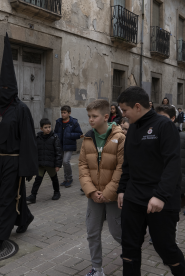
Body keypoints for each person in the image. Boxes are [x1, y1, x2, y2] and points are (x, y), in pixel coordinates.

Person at [117, 86, 185, 276]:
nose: (123, 115)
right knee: (129, 245)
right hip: (134, 196)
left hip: (161, 199)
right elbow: (128, 163)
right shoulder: (132, 128)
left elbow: (173, 164)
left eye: (125, 110)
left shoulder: (163, 125)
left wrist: (160, 196)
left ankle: (184, 273)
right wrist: (122, 189)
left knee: (164, 246)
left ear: (137, 107)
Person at [0, 33, 38, 256]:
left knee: (3, 200)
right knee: (12, 196)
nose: (3, 92)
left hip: (14, 163)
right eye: (1, 88)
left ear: (12, 88)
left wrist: (28, 168)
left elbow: (28, 140)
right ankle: (25, 217)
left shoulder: (21, 109)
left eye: (7, 88)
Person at [79, 99, 125, 276]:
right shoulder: (88, 137)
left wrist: (107, 192)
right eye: (89, 116)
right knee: (92, 232)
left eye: (94, 116)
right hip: (94, 196)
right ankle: (97, 268)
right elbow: (82, 166)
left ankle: (131, 256)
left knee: (117, 232)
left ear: (106, 117)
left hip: (112, 196)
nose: (90, 119)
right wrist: (91, 190)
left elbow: (121, 168)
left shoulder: (119, 138)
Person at [156, 105, 185, 210]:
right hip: (156, 186)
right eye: (157, 117)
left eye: (163, 117)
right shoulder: (152, 136)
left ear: (173, 118)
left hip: (177, 184)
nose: (159, 120)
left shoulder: (183, 137)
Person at [26, 118, 62, 204]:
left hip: (50, 164)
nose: (48, 129)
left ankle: (57, 192)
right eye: (46, 127)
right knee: (37, 180)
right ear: (41, 128)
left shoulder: (54, 138)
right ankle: (33, 196)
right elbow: (34, 151)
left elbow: (58, 152)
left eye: (49, 127)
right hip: (41, 164)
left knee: (54, 179)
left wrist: (57, 165)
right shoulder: (37, 138)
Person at [54, 105, 83, 188]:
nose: (62, 114)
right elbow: (55, 132)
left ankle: (69, 178)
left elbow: (79, 134)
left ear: (69, 113)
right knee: (63, 162)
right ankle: (65, 179)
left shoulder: (73, 122)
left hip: (70, 145)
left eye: (64, 113)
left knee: (66, 161)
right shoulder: (59, 122)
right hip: (61, 145)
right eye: (62, 112)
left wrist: (69, 135)